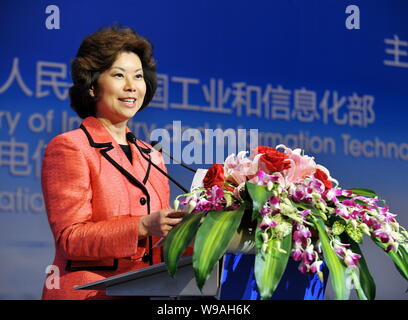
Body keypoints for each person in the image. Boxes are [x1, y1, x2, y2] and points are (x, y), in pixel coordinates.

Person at [41, 25, 184, 300]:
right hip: (87, 294)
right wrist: (142, 226)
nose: (132, 86)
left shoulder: (151, 155)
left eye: (139, 76)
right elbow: (71, 239)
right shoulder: (70, 147)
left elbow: (160, 241)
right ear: (93, 86)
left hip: (145, 292)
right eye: (119, 75)